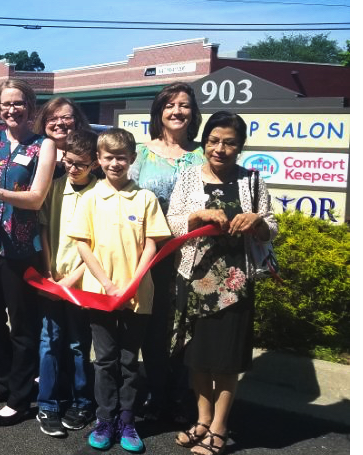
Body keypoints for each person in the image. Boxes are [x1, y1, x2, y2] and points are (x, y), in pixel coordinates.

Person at [167, 111, 277, 455]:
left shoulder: (252, 181)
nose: (220, 148)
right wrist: (196, 216)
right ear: (204, 143)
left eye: (229, 142)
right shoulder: (187, 178)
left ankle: (219, 426)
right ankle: (201, 419)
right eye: (213, 141)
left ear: (240, 146)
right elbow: (172, 223)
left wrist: (257, 220)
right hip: (195, 277)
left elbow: (272, 227)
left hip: (236, 282)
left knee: (227, 360)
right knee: (197, 358)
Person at [68, 128, 171, 452]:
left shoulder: (145, 199)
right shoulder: (89, 198)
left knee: (129, 361)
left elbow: (152, 243)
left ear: (132, 160)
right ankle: (104, 420)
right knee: (105, 360)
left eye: (121, 157)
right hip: (100, 295)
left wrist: (133, 282)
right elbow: (84, 246)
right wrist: (109, 284)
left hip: (138, 295)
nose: (115, 163)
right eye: (108, 157)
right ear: (98, 160)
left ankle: (127, 421)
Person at [0, 78, 56, 426]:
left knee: (23, 325)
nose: (11, 109)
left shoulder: (43, 146)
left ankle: (20, 397)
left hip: (20, 249)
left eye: (18, 103)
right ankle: (2, 380)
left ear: (30, 106)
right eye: (5, 104)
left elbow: (36, 198)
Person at [128, 82, 205, 422]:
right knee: (155, 325)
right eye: (170, 105)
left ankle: (183, 392)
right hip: (150, 255)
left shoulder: (204, 154)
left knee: (188, 326)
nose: (177, 111)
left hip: (194, 255)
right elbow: (124, 199)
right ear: (158, 112)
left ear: (193, 113)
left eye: (184, 105)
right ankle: (157, 392)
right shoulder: (141, 153)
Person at [34, 129, 99, 437]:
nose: (73, 168)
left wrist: (72, 281)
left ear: (95, 164)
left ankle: (82, 401)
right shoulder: (56, 187)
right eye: (69, 162)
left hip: (82, 284)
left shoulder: (101, 194)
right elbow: (45, 230)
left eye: (81, 164)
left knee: (77, 343)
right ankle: (47, 403)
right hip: (54, 279)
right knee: (49, 341)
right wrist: (49, 273)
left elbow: (100, 246)